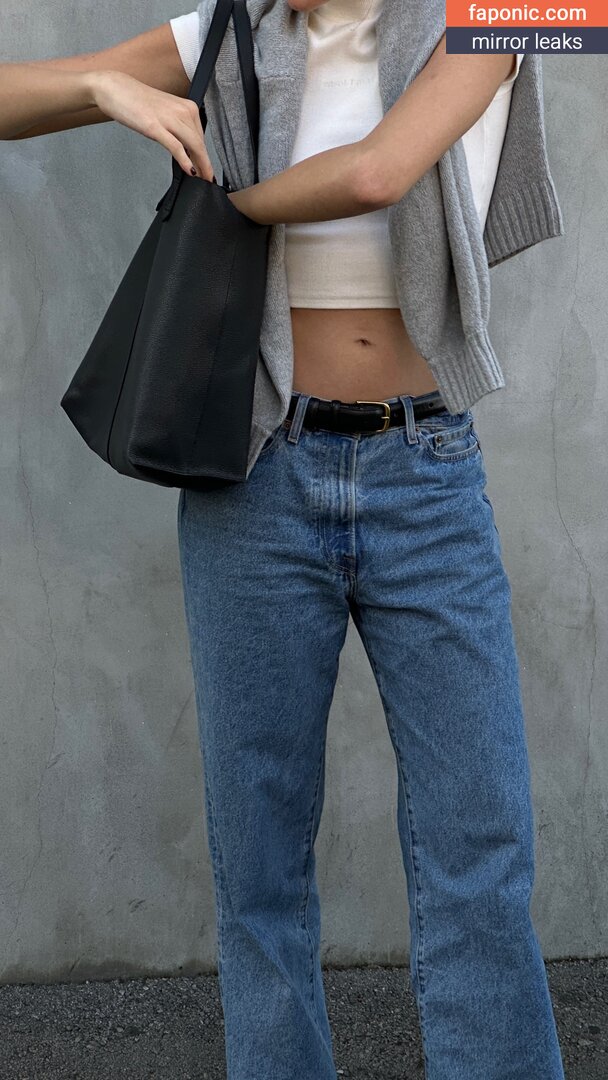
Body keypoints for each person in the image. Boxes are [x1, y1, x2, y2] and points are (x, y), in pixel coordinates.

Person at [0, 1, 566, 1076]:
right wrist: (103, 87)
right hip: (257, 470)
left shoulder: (486, 20)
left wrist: (226, 210)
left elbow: (377, 173)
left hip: (426, 472)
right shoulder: (227, 35)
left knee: (478, 849)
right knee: (257, 863)